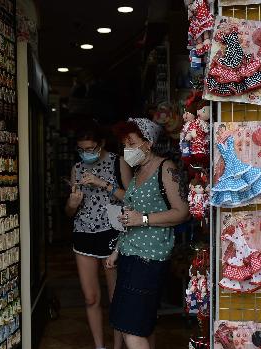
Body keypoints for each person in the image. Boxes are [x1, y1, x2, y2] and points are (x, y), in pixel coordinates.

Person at [106, 118, 190, 349]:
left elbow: (182, 212)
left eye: (132, 142)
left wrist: (143, 219)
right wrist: (117, 250)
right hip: (130, 254)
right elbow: (132, 213)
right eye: (125, 144)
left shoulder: (166, 168)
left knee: (130, 328)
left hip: (149, 258)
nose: (127, 149)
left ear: (149, 142)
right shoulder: (139, 170)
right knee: (139, 325)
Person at [65, 124, 131, 349]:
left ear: (101, 144)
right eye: (82, 149)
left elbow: (131, 200)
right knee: (90, 298)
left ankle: (117, 346)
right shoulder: (76, 168)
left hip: (112, 233)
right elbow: (69, 211)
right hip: (83, 233)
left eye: (91, 148)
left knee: (116, 299)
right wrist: (72, 204)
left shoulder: (117, 162)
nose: (87, 153)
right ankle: (99, 346)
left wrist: (103, 183)